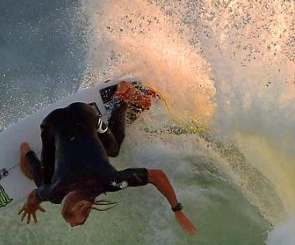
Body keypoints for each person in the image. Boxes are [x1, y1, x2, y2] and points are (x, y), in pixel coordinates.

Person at [17, 81, 195, 233]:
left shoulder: (111, 182)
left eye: (84, 218)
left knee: (114, 150)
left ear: (86, 210)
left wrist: (177, 210)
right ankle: (26, 152)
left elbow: (157, 176)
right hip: (50, 123)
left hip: (86, 113)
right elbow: (35, 195)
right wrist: (32, 203)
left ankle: (122, 96)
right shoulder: (53, 193)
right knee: (41, 180)